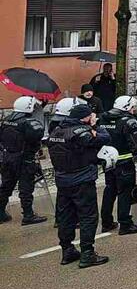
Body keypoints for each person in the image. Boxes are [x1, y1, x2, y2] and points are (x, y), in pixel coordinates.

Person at [48, 103, 114, 267]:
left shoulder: (56, 131)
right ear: (85, 117)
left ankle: (67, 250)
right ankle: (87, 254)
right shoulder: (81, 132)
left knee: (65, 217)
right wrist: (95, 125)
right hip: (81, 179)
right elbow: (105, 138)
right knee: (88, 217)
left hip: (62, 181)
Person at [98, 95, 137, 234]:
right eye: (131, 107)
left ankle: (106, 222)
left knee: (110, 190)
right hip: (124, 162)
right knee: (124, 192)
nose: (133, 110)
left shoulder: (103, 118)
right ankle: (125, 224)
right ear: (126, 107)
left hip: (108, 162)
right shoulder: (129, 121)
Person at [0, 96, 47, 225]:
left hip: (8, 157)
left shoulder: (6, 120)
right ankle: (28, 215)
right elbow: (38, 134)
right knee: (26, 187)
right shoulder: (28, 122)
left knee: (6, 186)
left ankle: (0, 212)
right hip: (24, 159)